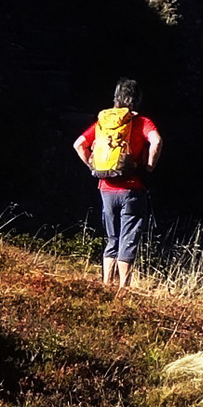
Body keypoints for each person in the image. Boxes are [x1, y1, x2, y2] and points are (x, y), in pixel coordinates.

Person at [72, 78, 161, 288]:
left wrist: (93, 167)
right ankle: (124, 289)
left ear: (116, 98)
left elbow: (78, 144)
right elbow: (156, 141)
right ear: (137, 99)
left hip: (106, 188)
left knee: (112, 238)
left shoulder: (104, 122)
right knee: (128, 237)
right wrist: (149, 166)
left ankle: (106, 286)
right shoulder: (141, 122)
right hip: (132, 187)